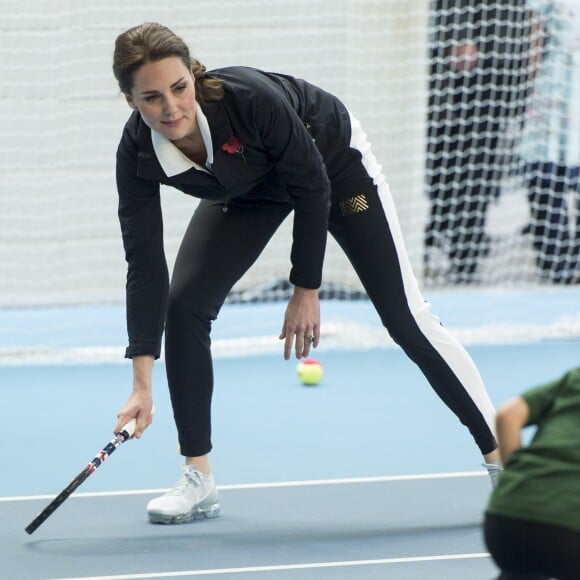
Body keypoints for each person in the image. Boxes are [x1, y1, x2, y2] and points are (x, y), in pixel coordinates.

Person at [111, 22, 501, 525]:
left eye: (179, 87)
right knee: (184, 305)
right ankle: (198, 477)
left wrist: (306, 286)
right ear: (130, 101)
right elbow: (144, 263)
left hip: (334, 169)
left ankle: (502, 460)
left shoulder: (250, 99)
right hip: (247, 190)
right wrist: (141, 383)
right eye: (152, 97)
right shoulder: (138, 153)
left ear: (193, 75)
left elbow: (312, 186)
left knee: (405, 317)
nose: (172, 108)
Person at [425, 0, 540, 284]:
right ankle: (444, 233)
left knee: (482, 165)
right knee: (446, 157)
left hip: (500, 62)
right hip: (459, 62)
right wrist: (460, 36)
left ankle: (465, 254)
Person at [484, 367, 580, 579]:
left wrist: (516, 478)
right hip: (567, 530)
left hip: (506, 516)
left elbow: (508, 415)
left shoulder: (576, 377)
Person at [520, 0, 580, 285]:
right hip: (557, 86)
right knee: (546, 176)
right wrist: (533, 81)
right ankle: (556, 264)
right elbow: (535, 28)